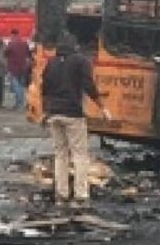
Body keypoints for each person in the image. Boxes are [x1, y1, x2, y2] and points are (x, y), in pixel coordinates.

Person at [42, 34, 111, 206]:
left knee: (60, 154)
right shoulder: (80, 61)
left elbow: (45, 89)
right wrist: (102, 107)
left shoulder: (51, 63)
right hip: (73, 114)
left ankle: (61, 194)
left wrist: (45, 112)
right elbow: (89, 86)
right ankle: (81, 194)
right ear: (75, 46)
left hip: (54, 113)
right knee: (79, 155)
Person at [4, 29, 30, 110]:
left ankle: (19, 103)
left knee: (16, 86)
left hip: (13, 67)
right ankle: (21, 103)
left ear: (12, 34)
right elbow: (28, 54)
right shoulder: (24, 43)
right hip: (23, 67)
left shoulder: (11, 44)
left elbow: (5, 53)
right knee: (21, 86)